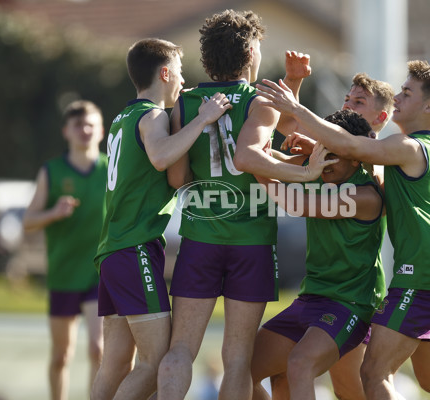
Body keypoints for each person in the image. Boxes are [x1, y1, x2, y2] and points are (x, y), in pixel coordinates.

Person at [256, 60, 430, 400]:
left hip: (418, 277)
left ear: (429, 107)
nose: (398, 96)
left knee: (373, 374)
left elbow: (357, 151)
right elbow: (362, 160)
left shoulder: (408, 147)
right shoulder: (414, 149)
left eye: (407, 93)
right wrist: (321, 152)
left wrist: (293, 114)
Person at [157, 10, 334, 400]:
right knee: (237, 358)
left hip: (199, 239)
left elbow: (175, 179)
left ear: (206, 58)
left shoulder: (184, 106)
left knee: (180, 350)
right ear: (251, 51)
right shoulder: (260, 101)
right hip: (251, 243)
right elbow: (295, 134)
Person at [91, 38, 231, 400]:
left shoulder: (122, 118)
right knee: (154, 365)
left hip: (112, 251)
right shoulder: (152, 115)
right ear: (165, 72)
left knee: (116, 364)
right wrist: (202, 118)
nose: (183, 83)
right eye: (181, 74)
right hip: (134, 248)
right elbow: (160, 156)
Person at [270, 71, 395, 400]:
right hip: (316, 294)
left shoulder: (376, 169)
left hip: (354, 297)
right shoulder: (329, 160)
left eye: (359, 102)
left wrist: (254, 160)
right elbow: (288, 130)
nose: (350, 105)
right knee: (263, 372)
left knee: (355, 387)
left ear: (380, 119)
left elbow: (298, 198)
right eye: (347, 99)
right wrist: (295, 81)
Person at [22, 100, 106, 400]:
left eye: (91, 125)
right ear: (66, 131)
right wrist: (53, 213)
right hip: (63, 273)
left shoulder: (112, 169)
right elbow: (28, 222)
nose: (85, 130)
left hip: (100, 274)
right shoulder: (52, 171)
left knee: (99, 350)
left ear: (101, 131)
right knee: (61, 356)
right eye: (78, 125)